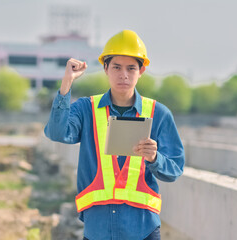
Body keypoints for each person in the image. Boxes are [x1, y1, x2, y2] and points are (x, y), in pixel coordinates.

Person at [44, 30, 185, 240]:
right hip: (97, 229)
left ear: (142, 70)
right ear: (105, 68)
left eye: (131, 68)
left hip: (143, 229)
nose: (124, 75)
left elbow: (174, 169)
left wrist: (155, 158)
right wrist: (67, 84)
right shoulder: (86, 109)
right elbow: (56, 133)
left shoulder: (159, 114)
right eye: (117, 67)